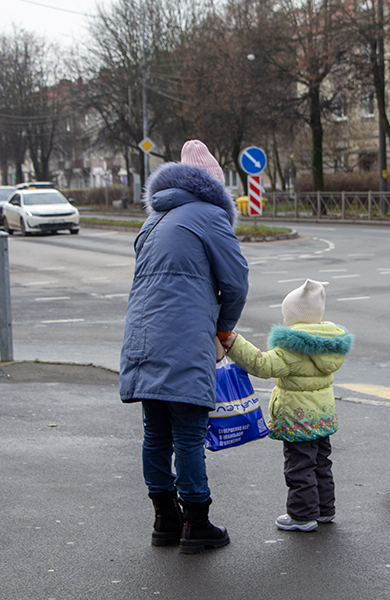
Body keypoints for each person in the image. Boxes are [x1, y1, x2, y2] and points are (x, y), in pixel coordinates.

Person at [119, 140, 249, 554]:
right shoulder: (210, 216)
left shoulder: (153, 221)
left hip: (141, 339)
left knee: (155, 433)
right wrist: (223, 329)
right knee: (189, 435)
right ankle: (197, 522)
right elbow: (237, 280)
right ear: (213, 185)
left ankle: (165, 520)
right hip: (184, 340)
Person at [221, 279, 353, 532]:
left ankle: (302, 516)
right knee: (321, 463)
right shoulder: (330, 344)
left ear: (293, 317)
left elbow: (262, 364)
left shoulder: (292, 348)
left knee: (299, 466)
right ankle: (325, 510)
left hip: (297, 417)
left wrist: (234, 343)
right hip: (323, 416)